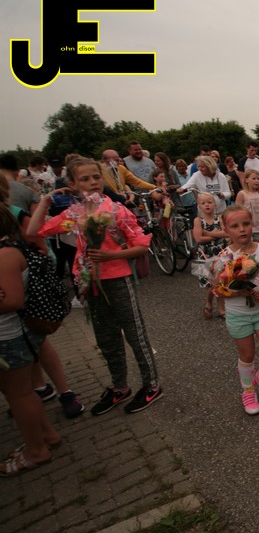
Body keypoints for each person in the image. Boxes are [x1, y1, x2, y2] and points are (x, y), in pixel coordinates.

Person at [30, 157, 162, 415]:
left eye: (96, 177)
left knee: (135, 334)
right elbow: (35, 231)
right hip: (91, 282)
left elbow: (141, 245)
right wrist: (46, 201)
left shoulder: (116, 210)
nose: (93, 182)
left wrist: (112, 256)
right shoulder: (74, 214)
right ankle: (120, 386)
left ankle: (152, 385)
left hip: (119, 279)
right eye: (85, 179)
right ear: (73, 184)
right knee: (106, 338)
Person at [0, 205, 62, 476]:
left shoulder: (5, 255)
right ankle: (45, 435)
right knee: (21, 392)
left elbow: (13, 300)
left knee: (19, 394)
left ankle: (36, 450)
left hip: (10, 336)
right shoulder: (12, 249)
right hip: (17, 334)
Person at [214, 206, 259, 415]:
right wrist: (236, 292)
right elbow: (217, 289)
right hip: (238, 315)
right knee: (247, 355)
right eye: (235, 226)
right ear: (226, 230)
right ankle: (248, 390)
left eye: (246, 224)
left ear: (253, 225)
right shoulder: (224, 257)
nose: (242, 229)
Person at [193, 193, 227, 319]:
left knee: (220, 281)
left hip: (221, 253)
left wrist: (207, 233)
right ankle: (208, 301)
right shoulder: (198, 221)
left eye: (209, 202)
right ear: (199, 206)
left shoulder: (220, 218)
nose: (207, 205)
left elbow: (226, 233)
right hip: (205, 254)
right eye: (203, 203)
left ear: (215, 204)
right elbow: (198, 239)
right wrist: (216, 234)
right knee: (211, 284)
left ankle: (221, 309)